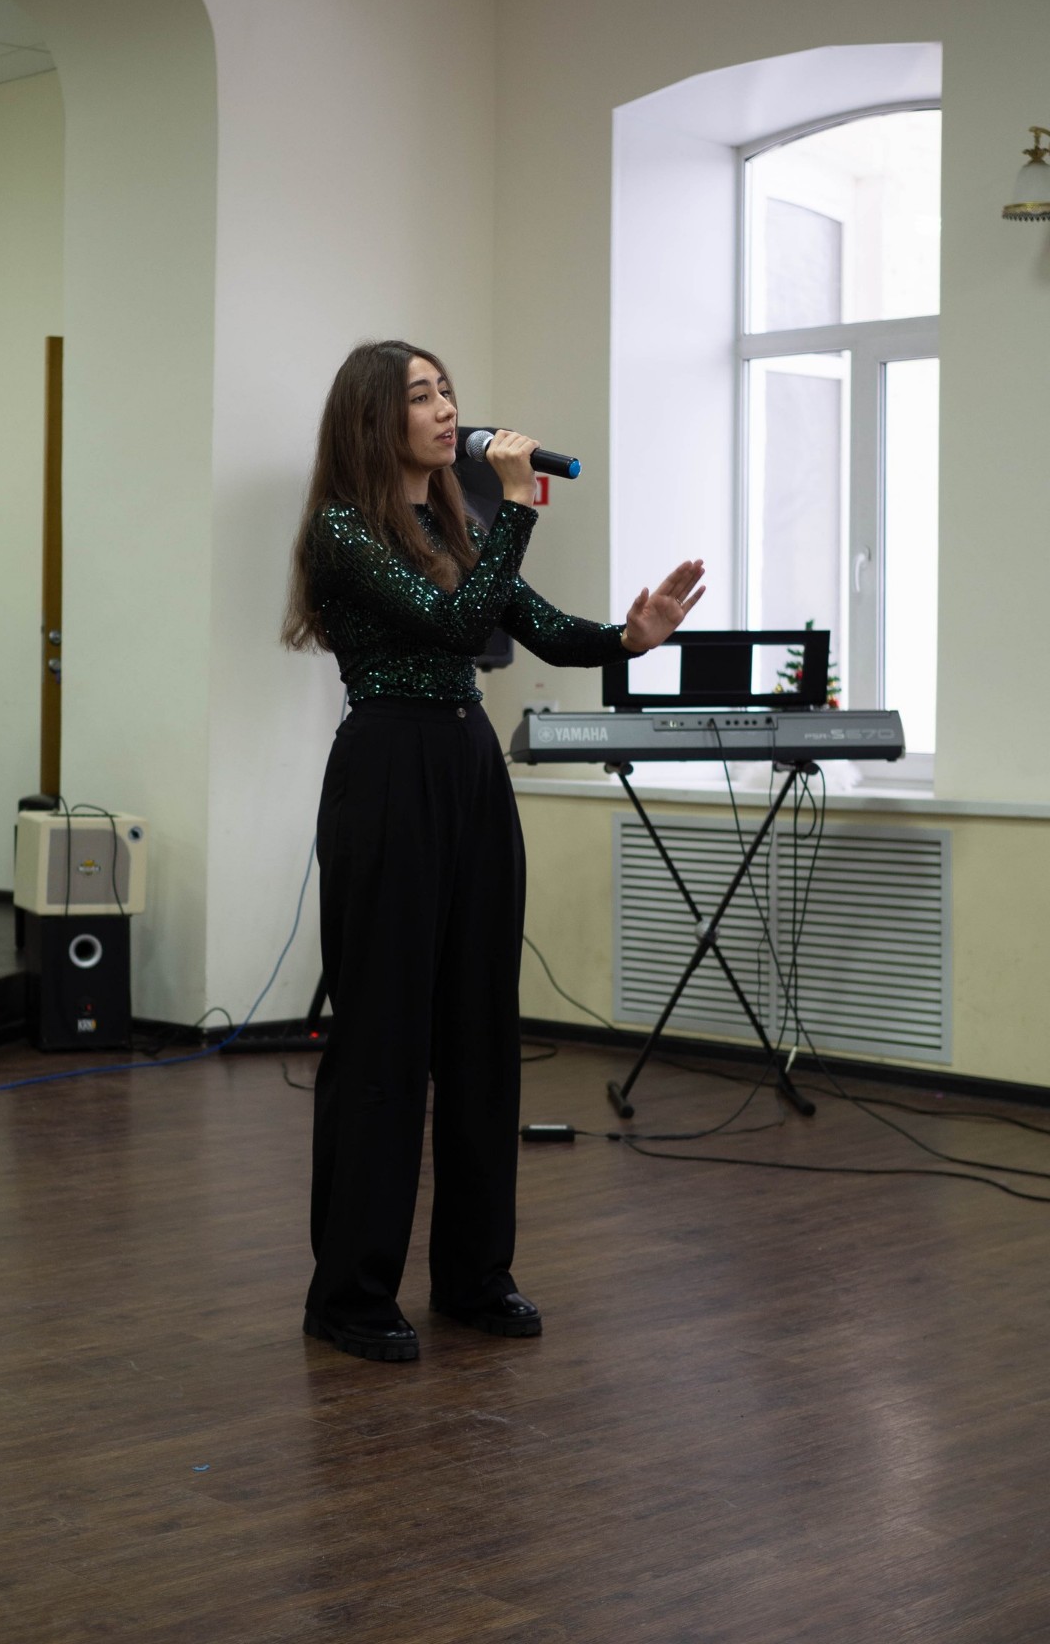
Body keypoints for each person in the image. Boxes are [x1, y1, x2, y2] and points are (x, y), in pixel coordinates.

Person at [282, 339, 705, 1363]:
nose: (445, 410)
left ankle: (475, 1276)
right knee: (384, 1039)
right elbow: (453, 624)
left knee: (479, 1032)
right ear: (373, 419)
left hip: (469, 767)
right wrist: (517, 503)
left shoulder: (454, 524)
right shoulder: (342, 530)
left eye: (448, 392)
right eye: (420, 395)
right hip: (390, 771)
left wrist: (630, 638)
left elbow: (540, 628)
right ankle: (349, 1295)